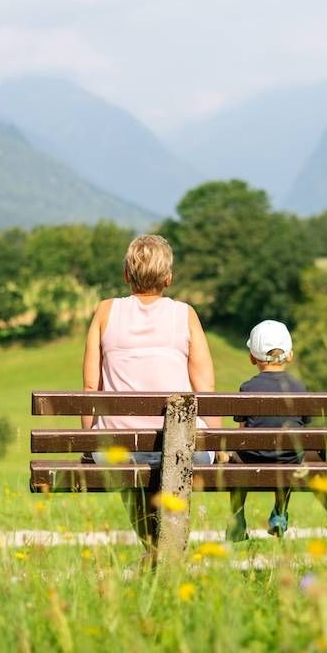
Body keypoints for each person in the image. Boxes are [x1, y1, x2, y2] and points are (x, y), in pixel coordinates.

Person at [81, 234, 220, 555]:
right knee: (176, 460)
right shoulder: (186, 314)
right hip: (183, 447)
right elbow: (205, 388)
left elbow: (90, 388)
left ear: (126, 275)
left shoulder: (105, 312)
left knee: (127, 464)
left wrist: (88, 443)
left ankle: (152, 548)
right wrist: (216, 441)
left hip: (118, 449)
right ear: (168, 278)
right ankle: (167, 549)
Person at [226, 320, 308, 543]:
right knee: (292, 458)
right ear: (289, 356)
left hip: (253, 457)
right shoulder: (300, 388)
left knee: (237, 459)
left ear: (252, 357)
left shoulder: (248, 388)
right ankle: (280, 514)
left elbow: (241, 434)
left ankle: (237, 518)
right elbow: (304, 427)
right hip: (289, 459)